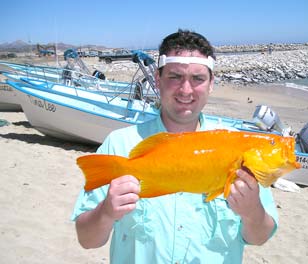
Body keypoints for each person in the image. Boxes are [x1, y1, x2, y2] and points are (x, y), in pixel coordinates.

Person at [72, 29, 278, 264]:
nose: (186, 90)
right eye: (175, 77)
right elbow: (86, 239)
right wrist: (106, 212)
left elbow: (260, 237)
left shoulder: (241, 148)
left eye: (198, 78)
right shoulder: (119, 145)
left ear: (211, 83)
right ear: (158, 81)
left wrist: (252, 212)